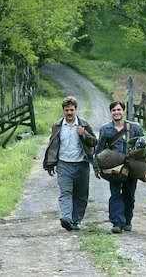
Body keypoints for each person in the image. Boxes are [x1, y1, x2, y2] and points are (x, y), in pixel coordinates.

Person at [43, 96, 97, 231]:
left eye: (71, 110)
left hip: (81, 164)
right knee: (65, 192)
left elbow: (94, 142)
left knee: (81, 195)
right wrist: (50, 163)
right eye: (66, 110)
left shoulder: (84, 124)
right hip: (63, 164)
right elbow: (52, 144)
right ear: (63, 111)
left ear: (76, 110)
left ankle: (76, 220)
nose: (69, 113)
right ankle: (66, 218)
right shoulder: (57, 126)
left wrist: (84, 134)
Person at [95, 101, 144, 234]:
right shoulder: (105, 129)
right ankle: (117, 222)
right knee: (115, 194)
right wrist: (96, 167)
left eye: (119, 110)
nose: (116, 112)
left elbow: (144, 147)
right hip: (114, 168)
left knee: (129, 195)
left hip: (131, 167)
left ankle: (127, 221)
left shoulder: (135, 127)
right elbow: (99, 150)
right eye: (114, 110)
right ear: (111, 112)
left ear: (123, 111)